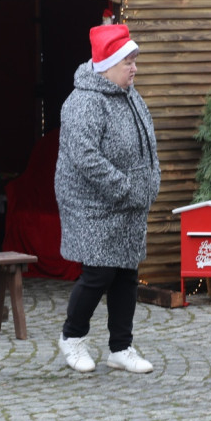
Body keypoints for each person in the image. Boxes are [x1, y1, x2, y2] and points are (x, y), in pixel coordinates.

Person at [55, 24, 160, 374]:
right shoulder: (84, 101)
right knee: (99, 273)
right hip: (92, 205)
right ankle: (72, 338)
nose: (134, 68)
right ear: (108, 64)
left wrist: (151, 182)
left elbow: (149, 145)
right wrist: (124, 187)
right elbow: (85, 156)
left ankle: (121, 347)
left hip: (128, 204)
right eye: (128, 61)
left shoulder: (131, 96)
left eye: (135, 61)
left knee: (126, 273)